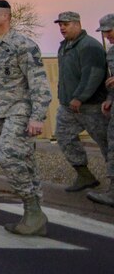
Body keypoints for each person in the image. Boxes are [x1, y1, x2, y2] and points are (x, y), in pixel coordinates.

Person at [0, 0, 52, 236]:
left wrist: (38, 116)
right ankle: (35, 215)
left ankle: (32, 209)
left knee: (7, 156)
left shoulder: (23, 45)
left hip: (21, 111)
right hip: (2, 113)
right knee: (26, 162)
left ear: (5, 16)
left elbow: (39, 83)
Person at [52, 11, 109, 192]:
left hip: (91, 106)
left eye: (66, 24)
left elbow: (93, 75)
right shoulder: (65, 46)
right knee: (63, 137)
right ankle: (85, 176)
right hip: (68, 106)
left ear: (77, 24)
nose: (62, 28)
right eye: (60, 24)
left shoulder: (89, 46)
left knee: (107, 143)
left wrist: (80, 97)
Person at [87, 13, 114, 206]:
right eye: (104, 33)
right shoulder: (111, 53)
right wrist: (109, 99)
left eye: (109, 31)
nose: (106, 36)